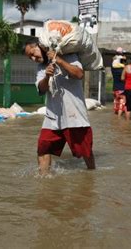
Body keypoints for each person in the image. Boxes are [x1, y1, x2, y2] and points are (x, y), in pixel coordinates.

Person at [23, 39, 95, 175]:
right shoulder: (41, 68)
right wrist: (47, 76)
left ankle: (91, 176)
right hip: (53, 116)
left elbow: (79, 74)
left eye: (33, 53)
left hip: (74, 114)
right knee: (43, 148)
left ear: (41, 47)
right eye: (30, 57)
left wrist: (59, 60)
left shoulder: (69, 56)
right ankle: (44, 180)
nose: (33, 58)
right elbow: (41, 89)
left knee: (85, 151)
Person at [111, 47, 127, 117]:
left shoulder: (113, 68)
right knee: (121, 106)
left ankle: (115, 122)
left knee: (116, 106)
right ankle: (119, 120)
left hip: (115, 89)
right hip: (122, 90)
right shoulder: (123, 70)